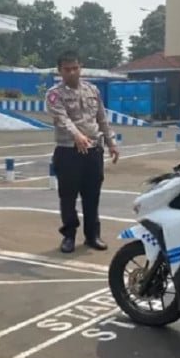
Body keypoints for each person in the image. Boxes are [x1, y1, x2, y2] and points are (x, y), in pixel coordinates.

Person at [46, 51, 120, 254]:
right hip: (68, 151)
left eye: (75, 68)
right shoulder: (54, 94)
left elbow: (102, 119)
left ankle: (92, 235)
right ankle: (69, 236)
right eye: (67, 69)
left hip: (93, 151)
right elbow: (62, 118)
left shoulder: (92, 90)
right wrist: (76, 135)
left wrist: (111, 143)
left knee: (92, 195)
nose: (71, 72)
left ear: (81, 67)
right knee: (68, 197)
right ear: (59, 71)